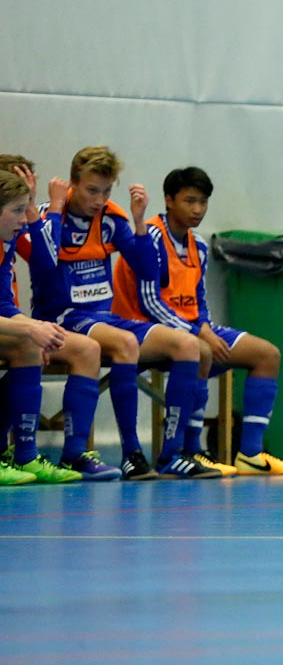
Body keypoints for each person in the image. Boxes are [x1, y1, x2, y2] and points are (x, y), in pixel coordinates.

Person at [29, 147, 221, 479]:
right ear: (72, 183)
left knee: (188, 346)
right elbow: (43, 269)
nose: (98, 199)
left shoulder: (111, 218)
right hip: (62, 317)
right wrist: (57, 209)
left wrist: (137, 221)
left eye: (106, 190)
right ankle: (131, 454)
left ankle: (170, 456)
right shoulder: (49, 214)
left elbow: (149, 272)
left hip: (104, 318)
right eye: (91, 190)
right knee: (125, 344)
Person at [113, 167, 283, 475]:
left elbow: (198, 301)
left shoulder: (198, 246)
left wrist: (205, 327)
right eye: (189, 201)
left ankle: (251, 454)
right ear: (169, 200)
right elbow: (149, 304)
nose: (197, 209)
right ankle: (190, 449)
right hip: (143, 330)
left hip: (190, 330)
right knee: (200, 349)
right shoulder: (150, 237)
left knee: (267, 354)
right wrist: (198, 332)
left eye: (203, 202)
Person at [0, 166, 84, 484]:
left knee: (30, 346)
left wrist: (34, 328)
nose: (24, 220)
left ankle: (25, 455)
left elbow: (4, 304)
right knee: (28, 337)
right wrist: (29, 328)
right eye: (18, 211)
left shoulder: (4, 242)